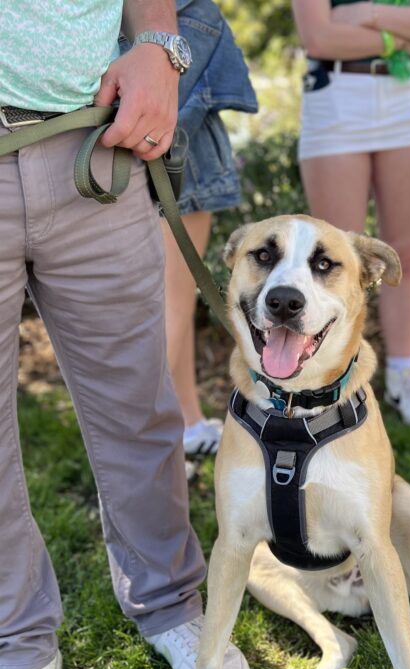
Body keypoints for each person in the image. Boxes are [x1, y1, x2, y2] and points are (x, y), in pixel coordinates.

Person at [0, 1, 254, 669]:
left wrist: (156, 42)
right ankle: (14, 642)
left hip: (93, 138)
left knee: (142, 405)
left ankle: (174, 599)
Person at [292, 0, 410, 425]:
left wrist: (367, 13)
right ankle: (338, 384)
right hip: (337, 101)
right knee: (335, 260)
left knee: (405, 251)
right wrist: (401, 38)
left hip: (407, 101)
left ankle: (404, 379)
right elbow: (320, 37)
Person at [148, 0, 257, 458]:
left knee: (176, 297)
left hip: (165, 137)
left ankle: (188, 421)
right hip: (172, 139)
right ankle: (149, 444)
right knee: (168, 303)